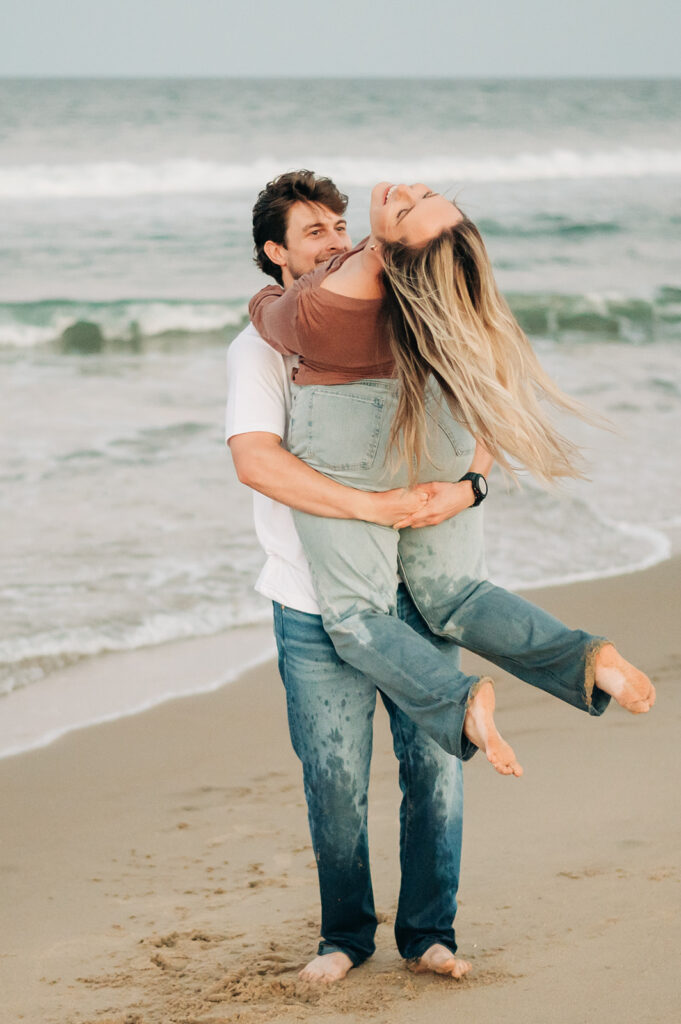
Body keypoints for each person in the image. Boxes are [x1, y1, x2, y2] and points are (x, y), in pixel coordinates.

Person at [249, 180, 655, 776]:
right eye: (427, 191)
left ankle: (460, 704)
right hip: (439, 437)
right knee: (460, 595)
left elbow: (267, 314)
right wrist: (469, 484)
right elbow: (487, 396)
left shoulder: (318, 311)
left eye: (409, 206)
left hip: (352, 445)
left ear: (395, 249)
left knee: (357, 615)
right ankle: (592, 663)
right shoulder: (443, 299)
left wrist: (349, 258)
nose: (400, 189)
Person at [226, 171, 490, 983]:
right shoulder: (263, 344)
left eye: (341, 225)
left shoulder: (401, 321)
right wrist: (365, 508)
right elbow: (256, 460)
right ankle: (344, 936)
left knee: (434, 767)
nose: (337, 240)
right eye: (313, 231)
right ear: (274, 253)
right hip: (314, 603)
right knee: (336, 781)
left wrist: (468, 485)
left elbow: (480, 411)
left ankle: (428, 933)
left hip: (416, 593)